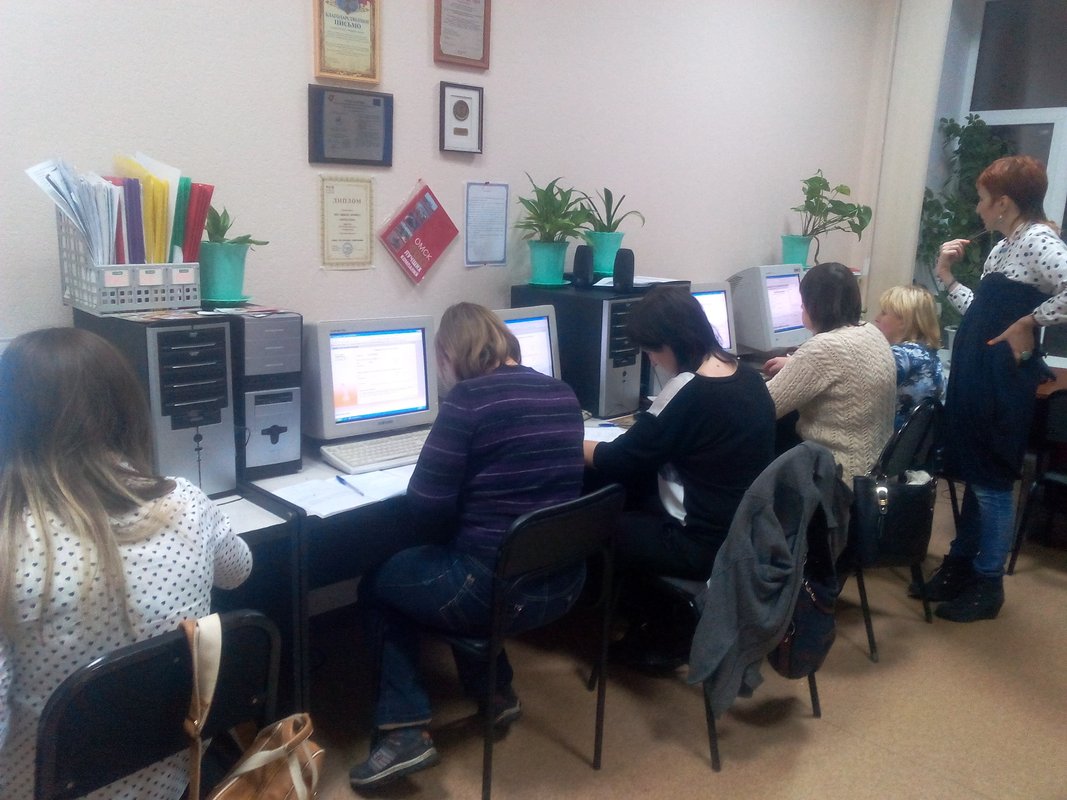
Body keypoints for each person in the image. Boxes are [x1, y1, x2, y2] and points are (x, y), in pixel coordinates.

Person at [0, 327, 252, 800]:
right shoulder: (187, 501)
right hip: (176, 774)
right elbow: (238, 571)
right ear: (127, 410)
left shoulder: (11, 544)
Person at [349, 302, 585, 790]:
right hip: (560, 584)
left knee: (380, 583)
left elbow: (424, 506)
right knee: (472, 562)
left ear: (449, 354)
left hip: (492, 591)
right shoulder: (562, 393)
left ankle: (404, 730)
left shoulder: (468, 401)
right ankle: (496, 692)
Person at [583, 284, 776, 667]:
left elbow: (618, 458)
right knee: (635, 495)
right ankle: (661, 617)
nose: (652, 360)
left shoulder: (689, 390)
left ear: (672, 343)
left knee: (596, 522)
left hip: (698, 543)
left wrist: (570, 441)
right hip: (743, 533)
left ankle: (663, 628)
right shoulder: (748, 377)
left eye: (652, 351)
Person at [931, 155, 1067, 622]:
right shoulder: (1004, 247)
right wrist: (946, 277)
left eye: (982, 199)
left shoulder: (1038, 241)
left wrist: (1033, 320)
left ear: (1003, 202)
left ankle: (988, 584)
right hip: (978, 374)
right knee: (976, 474)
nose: (978, 208)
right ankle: (961, 565)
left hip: (1001, 381)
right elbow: (983, 312)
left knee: (991, 481)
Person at [764, 261, 897, 483]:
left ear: (814, 305)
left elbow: (765, 406)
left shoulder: (822, 349)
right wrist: (796, 364)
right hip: (874, 469)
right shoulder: (870, 331)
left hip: (838, 479)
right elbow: (844, 368)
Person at [874, 284, 945, 429]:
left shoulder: (901, 355)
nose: (877, 318)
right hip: (913, 441)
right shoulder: (929, 355)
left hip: (887, 437)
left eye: (883, 313)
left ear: (904, 321)